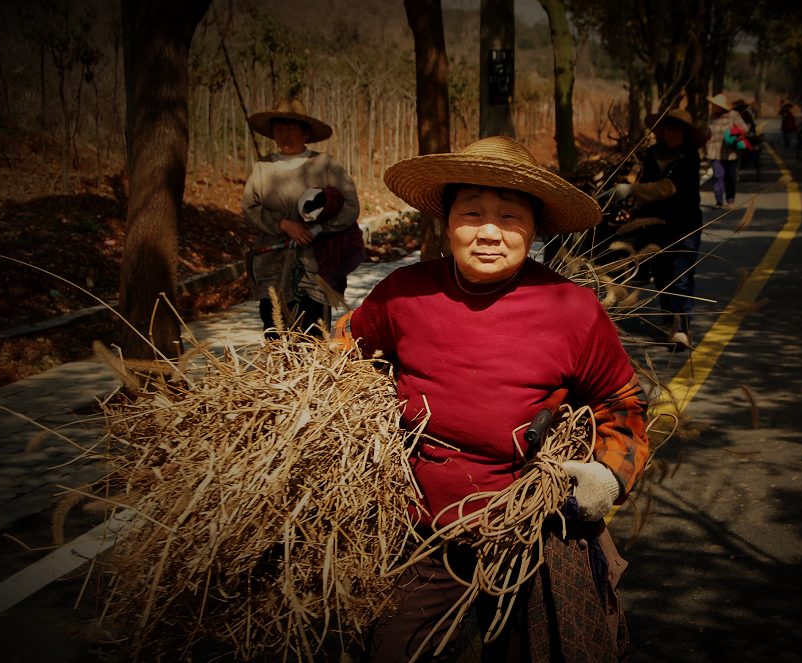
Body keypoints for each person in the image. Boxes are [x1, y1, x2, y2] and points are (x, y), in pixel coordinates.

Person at [335, 136, 651, 661]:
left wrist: (605, 476)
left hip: (528, 538)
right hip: (420, 535)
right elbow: (343, 354)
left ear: (533, 228)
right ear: (447, 222)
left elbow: (622, 402)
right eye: (472, 213)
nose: (488, 232)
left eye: (509, 217)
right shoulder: (403, 294)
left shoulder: (571, 310)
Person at [242, 97, 364, 337]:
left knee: (312, 334)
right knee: (276, 333)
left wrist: (317, 230)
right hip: (272, 265)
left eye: (290, 128)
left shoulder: (325, 165)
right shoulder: (262, 168)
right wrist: (283, 224)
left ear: (305, 132)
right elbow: (249, 207)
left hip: (315, 264)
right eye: (279, 128)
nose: (284, 134)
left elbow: (350, 206)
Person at [614, 108, 705, 350]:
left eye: (678, 130)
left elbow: (667, 188)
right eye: (669, 129)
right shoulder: (652, 154)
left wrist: (632, 190)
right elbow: (643, 180)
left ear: (685, 135)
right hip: (655, 225)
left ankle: (682, 329)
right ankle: (669, 321)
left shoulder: (689, 158)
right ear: (662, 132)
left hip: (684, 225)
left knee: (680, 276)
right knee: (663, 274)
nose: (673, 134)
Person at [705, 93, 750, 209]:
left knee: (730, 177)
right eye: (714, 105)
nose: (715, 107)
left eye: (717, 105)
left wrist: (736, 137)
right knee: (718, 175)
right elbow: (708, 133)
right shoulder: (711, 116)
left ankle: (730, 199)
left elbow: (744, 129)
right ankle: (719, 201)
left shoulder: (733, 115)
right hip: (714, 151)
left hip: (730, 152)